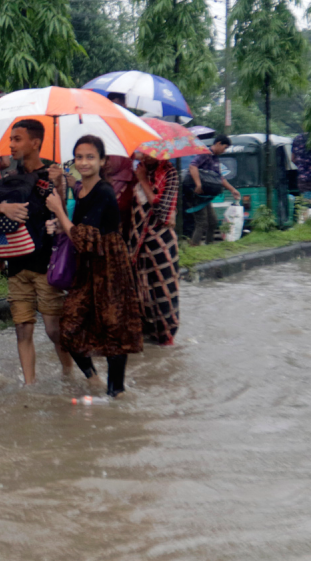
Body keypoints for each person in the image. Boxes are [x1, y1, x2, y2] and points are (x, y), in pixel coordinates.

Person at [44, 136, 143, 397]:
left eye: (90, 157)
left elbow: (83, 237)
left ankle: (117, 392)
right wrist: (57, 194)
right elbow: (71, 226)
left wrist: (59, 213)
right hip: (87, 267)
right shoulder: (79, 190)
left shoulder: (104, 191)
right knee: (69, 326)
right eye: (79, 157)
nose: (84, 162)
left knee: (113, 329)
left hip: (110, 266)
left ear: (102, 161)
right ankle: (92, 378)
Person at [0, 119, 72, 385]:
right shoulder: (9, 178)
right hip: (16, 267)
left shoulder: (53, 176)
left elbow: (68, 220)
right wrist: (3, 209)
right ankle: (29, 387)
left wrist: (62, 186)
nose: (11, 145)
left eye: (17, 139)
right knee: (23, 328)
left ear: (35, 143)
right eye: (11, 139)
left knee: (54, 330)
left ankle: (69, 374)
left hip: (47, 267)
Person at [128, 150, 180, 346]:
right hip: (139, 243)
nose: (148, 157)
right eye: (145, 153)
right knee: (142, 290)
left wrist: (142, 180)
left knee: (164, 290)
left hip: (161, 240)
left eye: (152, 154)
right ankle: (148, 334)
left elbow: (160, 210)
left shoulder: (169, 173)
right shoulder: (137, 170)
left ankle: (167, 336)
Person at [187, 134, 241, 245]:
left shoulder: (215, 159)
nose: (224, 151)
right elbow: (193, 166)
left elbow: (220, 178)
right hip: (197, 195)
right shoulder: (205, 154)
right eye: (225, 147)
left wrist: (232, 190)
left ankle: (209, 245)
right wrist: (198, 184)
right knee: (202, 223)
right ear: (218, 143)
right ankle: (194, 248)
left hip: (205, 197)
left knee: (213, 222)